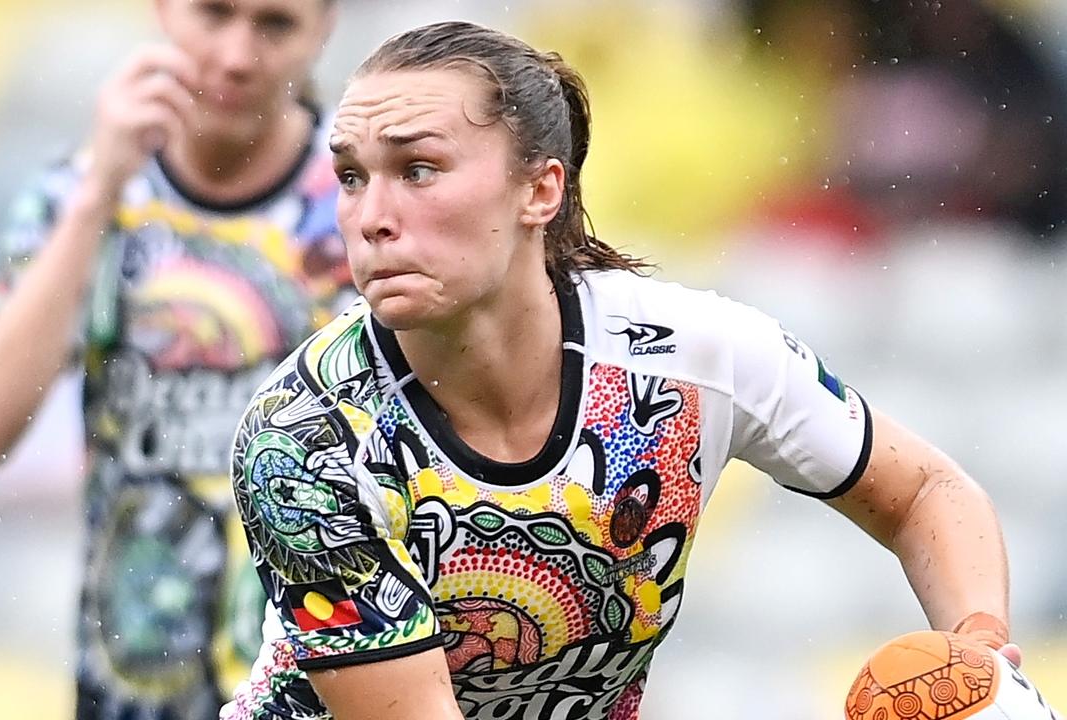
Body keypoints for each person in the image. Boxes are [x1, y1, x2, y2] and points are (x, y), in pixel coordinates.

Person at [220, 20, 1022, 720]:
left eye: (418, 170)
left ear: (540, 189)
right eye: (353, 176)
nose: (368, 217)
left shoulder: (695, 352)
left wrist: (979, 654)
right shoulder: (303, 440)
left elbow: (926, 492)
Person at [0, 1, 345, 717]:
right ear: (163, 9)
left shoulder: (362, 208)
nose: (235, 55)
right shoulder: (75, 197)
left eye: (275, 24)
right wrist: (98, 192)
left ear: (324, 27)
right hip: (131, 677)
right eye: (214, 13)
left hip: (319, 681)